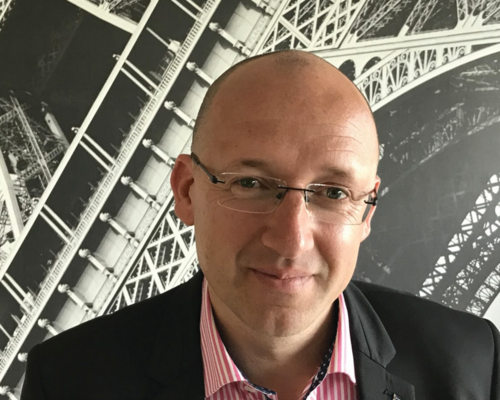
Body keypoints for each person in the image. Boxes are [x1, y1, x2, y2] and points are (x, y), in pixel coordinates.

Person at [21, 50, 499, 400]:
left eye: (333, 193)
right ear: (187, 191)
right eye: (250, 184)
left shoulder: (473, 363)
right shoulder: (67, 383)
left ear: (367, 210)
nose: (291, 239)